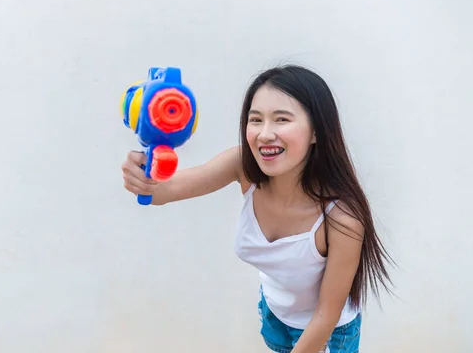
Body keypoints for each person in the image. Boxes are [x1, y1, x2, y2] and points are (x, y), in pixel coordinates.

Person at [120, 65, 393, 353]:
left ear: (316, 131)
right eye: (255, 120)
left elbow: (326, 316)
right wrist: (141, 178)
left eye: (281, 119)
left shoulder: (343, 219)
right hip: (274, 314)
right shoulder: (243, 166)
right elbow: (165, 191)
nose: (264, 134)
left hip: (329, 334)